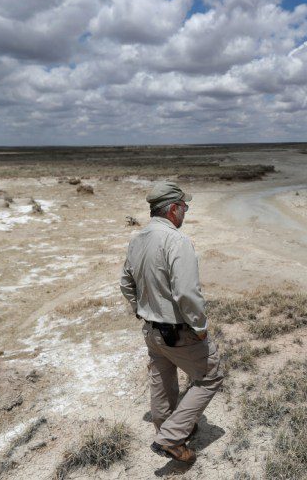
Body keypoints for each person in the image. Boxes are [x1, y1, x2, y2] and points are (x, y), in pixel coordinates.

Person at [120, 181, 223, 463]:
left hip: (151, 330)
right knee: (211, 376)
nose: (186, 212)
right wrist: (200, 327)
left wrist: (141, 311)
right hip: (179, 332)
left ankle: (168, 430)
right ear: (174, 209)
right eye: (185, 207)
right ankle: (171, 438)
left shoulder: (137, 239)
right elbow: (187, 293)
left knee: (163, 382)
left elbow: (126, 284)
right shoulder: (176, 240)